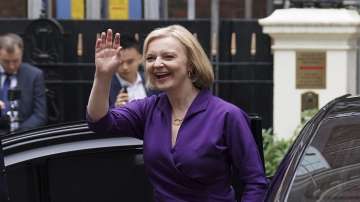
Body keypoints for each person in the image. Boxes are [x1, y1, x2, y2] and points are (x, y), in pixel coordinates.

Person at [87, 25, 268, 201]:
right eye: (150, 58)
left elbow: (255, 183)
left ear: (190, 63)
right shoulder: (148, 110)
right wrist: (102, 76)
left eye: (168, 56)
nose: (157, 64)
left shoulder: (227, 116)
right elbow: (100, 122)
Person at [0, 33, 47, 130]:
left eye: (15, 61)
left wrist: (18, 135)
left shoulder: (34, 75)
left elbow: (40, 115)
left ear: (21, 53)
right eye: (6, 61)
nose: (11, 66)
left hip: (23, 136)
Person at [109, 33, 151, 108]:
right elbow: (96, 117)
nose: (125, 67)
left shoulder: (151, 81)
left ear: (141, 58)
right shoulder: (106, 87)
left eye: (130, 62)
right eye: (120, 62)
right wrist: (115, 109)